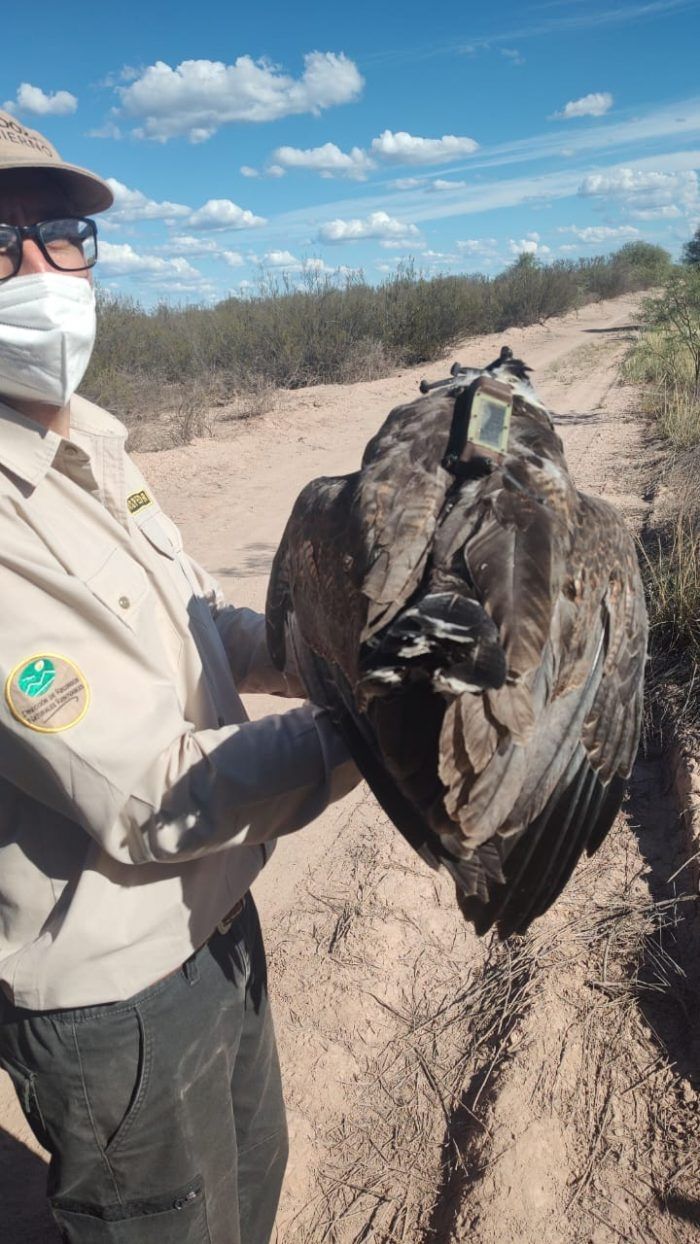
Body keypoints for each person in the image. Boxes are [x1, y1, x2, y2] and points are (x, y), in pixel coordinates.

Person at [0, 111, 359, 1244]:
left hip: (219, 913)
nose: (41, 267)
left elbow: (203, 620)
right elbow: (152, 794)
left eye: (60, 232)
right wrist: (379, 722)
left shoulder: (91, 445)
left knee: (254, 1184)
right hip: (117, 997)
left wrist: (334, 646)